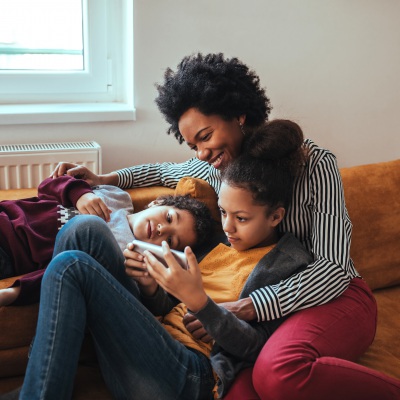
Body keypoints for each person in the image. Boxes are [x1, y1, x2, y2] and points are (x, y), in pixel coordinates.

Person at [50, 53, 400, 399]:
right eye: (192, 145)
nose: (201, 152)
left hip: (335, 294)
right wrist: (107, 177)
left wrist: (246, 306)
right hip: (266, 319)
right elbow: (163, 171)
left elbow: (334, 268)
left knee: (276, 373)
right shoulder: (222, 171)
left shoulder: (315, 165)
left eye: (205, 136)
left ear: (239, 115)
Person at [19, 120, 313, 399]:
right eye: (224, 212)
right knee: (86, 228)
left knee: (71, 265)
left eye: (242, 218)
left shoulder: (288, 263)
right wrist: (149, 286)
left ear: (275, 216)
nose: (228, 227)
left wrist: (203, 305)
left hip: (188, 374)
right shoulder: (215, 242)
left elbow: (257, 348)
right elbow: (166, 307)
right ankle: (44, 379)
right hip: (150, 342)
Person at [0, 175, 213, 306]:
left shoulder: (122, 256)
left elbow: (61, 275)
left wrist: (15, 292)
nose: (161, 229)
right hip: (6, 216)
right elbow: (47, 186)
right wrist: (79, 194)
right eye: (168, 218)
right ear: (156, 202)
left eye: (170, 240)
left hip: (10, 254)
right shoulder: (117, 198)